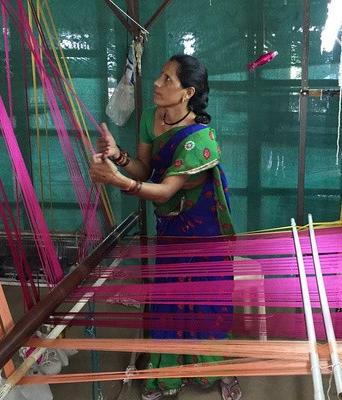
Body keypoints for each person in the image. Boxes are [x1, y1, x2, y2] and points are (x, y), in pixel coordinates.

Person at [90, 54, 242, 400]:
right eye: (160, 76)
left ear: (188, 92)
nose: (157, 83)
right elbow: (146, 170)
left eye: (167, 79)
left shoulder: (200, 140)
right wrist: (119, 157)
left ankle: (216, 368)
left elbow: (166, 190)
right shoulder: (150, 117)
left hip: (202, 229)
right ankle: (167, 370)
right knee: (169, 294)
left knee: (203, 297)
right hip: (170, 225)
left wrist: (117, 181)